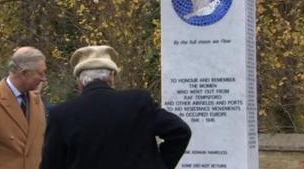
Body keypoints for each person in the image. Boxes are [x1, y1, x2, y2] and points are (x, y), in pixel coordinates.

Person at [41, 45, 191, 169]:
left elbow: (51, 164)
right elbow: (180, 131)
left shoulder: (61, 114)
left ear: (80, 83)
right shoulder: (138, 102)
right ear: (112, 76)